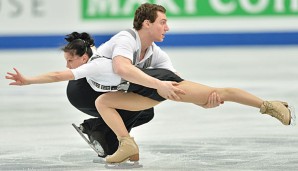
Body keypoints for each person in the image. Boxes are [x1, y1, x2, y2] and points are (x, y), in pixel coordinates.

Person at [5, 31, 221, 158]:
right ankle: (99, 130)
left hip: (92, 92)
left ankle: (102, 131)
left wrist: (199, 99)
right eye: (68, 61)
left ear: (83, 56)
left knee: (147, 113)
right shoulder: (95, 62)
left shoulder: (145, 53)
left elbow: (173, 78)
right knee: (135, 106)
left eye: (70, 60)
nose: (68, 64)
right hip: (82, 92)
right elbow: (56, 75)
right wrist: (28, 80)